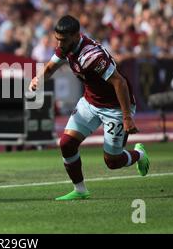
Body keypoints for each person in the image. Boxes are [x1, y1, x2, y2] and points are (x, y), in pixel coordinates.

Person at [29, 15, 150, 201]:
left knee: (112, 161)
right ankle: (80, 190)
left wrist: (126, 117)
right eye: (58, 39)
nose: (60, 44)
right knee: (66, 144)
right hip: (90, 102)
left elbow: (120, 83)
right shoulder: (66, 47)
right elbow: (51, 67)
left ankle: (139, 154)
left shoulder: (92, 56)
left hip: (114, 107)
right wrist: (38, 79)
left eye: (63, 40)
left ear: (76, 36)